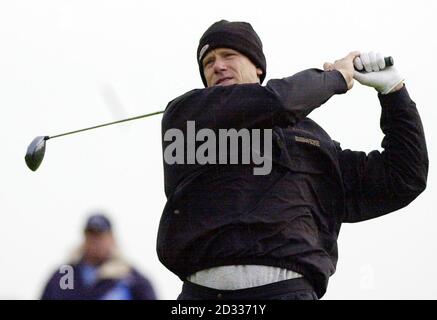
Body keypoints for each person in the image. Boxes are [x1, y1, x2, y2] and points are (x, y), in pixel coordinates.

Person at [158, 20, 428, 300]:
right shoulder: (187, 116)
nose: (218, 66)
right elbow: (279, 102)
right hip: (201, 296)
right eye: (208, 62)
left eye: (229, 55)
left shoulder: (312, 139)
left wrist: (394, 93)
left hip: (288, 292)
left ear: (258, 67)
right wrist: (335, 77)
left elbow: (404, 178)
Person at [41, 213, 157, 300]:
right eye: (91, 236)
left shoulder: (132, 280)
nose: (95, 242)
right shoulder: (62, 276)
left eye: (100, 236)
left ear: (112, 239)